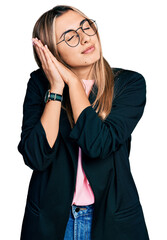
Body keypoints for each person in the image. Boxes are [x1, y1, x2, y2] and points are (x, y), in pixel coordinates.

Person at [17, 4, 150, 240]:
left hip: (112, 221)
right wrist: (57, 88)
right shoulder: (40, 85)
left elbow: (97, 145)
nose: (85, 38)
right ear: (51, 53)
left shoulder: (129, 84)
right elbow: (36, 156)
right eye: (69, 37)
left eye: (86, 26)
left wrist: (74, 82)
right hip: (52, 221)